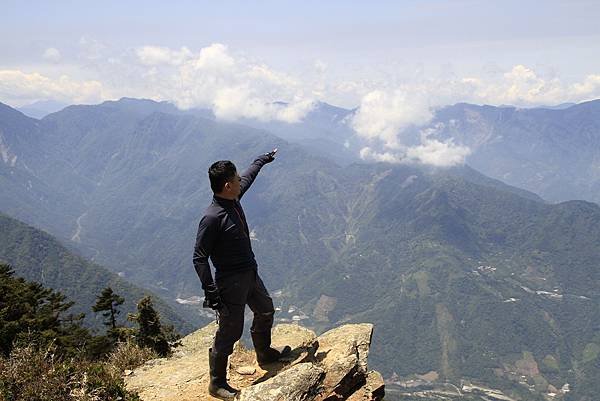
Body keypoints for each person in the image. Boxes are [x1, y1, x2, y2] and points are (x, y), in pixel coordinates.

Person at [193, 149, 290, 400]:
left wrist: (262, 160)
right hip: (230, 282)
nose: (240, 182)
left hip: (250, 273)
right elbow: (199, 257)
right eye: (236, 180)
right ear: (227, 186)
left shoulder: (233, 199)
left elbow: (249, 176)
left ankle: (264, 352)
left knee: (266, 309)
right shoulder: (212, 218)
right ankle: (217, 383)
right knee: (230, 331)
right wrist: (210, 290)